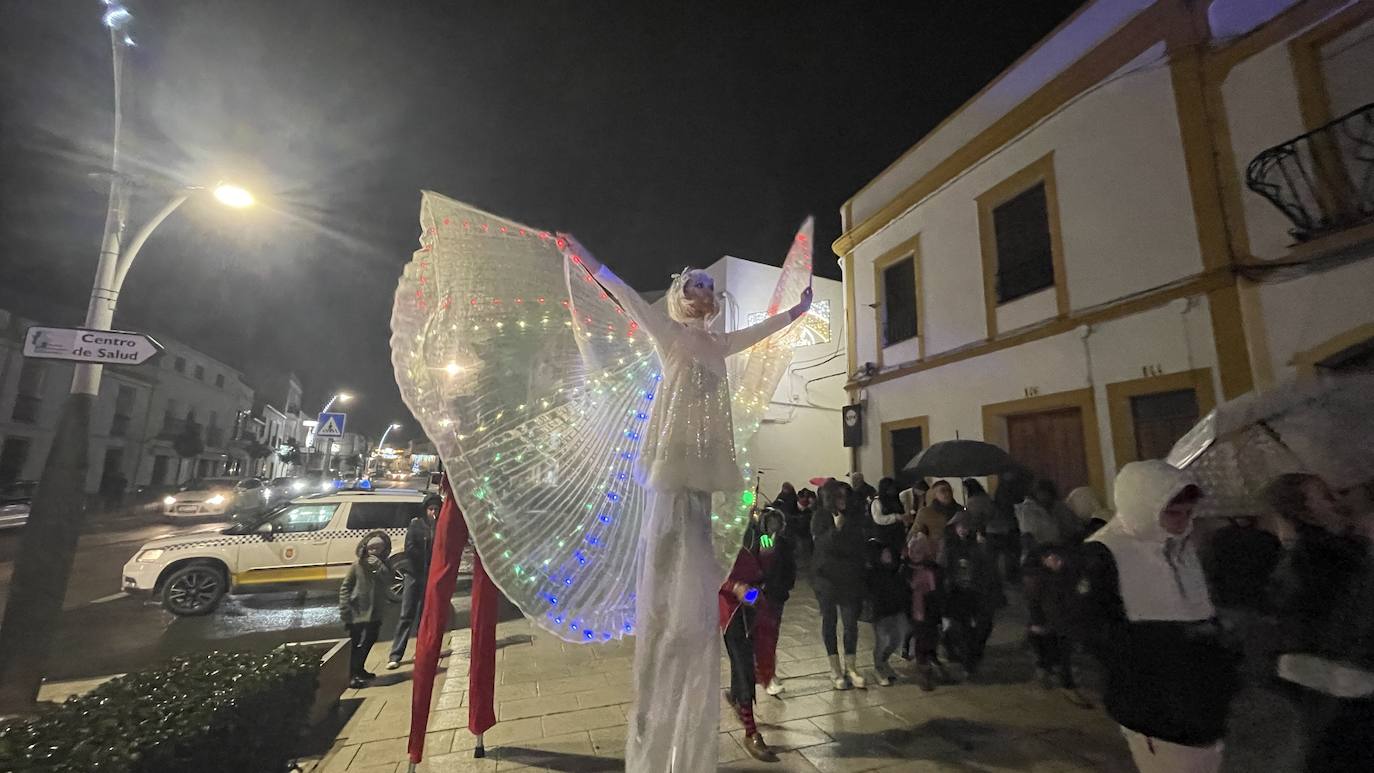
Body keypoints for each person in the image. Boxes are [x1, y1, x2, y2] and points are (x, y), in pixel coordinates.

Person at [574, 244, 812, 773]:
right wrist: (586, 256)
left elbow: (762, 333)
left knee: (696, 545)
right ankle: (663, 649)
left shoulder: (719, 343)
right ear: (682, 296)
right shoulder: (671, 335)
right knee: (667, 545)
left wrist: (798, 311)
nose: (704, 292)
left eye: (709, 285)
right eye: (695, 285)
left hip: (704, 465)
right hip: (674, 457)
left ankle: (701, 624)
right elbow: (629, 297)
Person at [1078, 461, 1239, 773]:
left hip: (1201, 696)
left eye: (1188, 513)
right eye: (1173, 514)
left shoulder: (1181, 547)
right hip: (1154, 701)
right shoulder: (1104, 553)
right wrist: (1167, 643)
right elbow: (1095, 632)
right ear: (1143, 507)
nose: (1182, 523)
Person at [1263, 473, 1374, 773]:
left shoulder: (1339, 551)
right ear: (1304, 511)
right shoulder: (1317, 561)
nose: (1338, 502)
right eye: (1326, 496)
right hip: (1339, 700)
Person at [720, 523, 782, 762]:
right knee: (744, 664)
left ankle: (738, 696)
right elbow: (710, 572)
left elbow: (765, 565)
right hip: (732, 611)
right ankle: (751, 731)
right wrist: (734, 586)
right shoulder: (718, 532)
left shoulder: (755, 530)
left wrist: (769, 544)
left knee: (752, 660)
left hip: (757, 603)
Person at [811, 479, 867, 689]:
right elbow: (821, 546)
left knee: (851, 623)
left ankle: (851, 667)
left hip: (850, 577)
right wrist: (836, 529)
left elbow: (857, 545)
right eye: (839, 496)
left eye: (846, 496)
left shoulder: (854, 517)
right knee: (830, 620)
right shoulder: (820, 516)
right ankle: (835, 669)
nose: (843, 500)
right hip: (826, 577)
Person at [1022, 543, 1092, 707]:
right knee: (1050, 652)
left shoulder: (1067, 574)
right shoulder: (1036, 578)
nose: (1057, 561)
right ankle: (1049, 674)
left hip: (1063, 622)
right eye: (1053, 558)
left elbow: (1076, 594)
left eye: (1058, 558)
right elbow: (1033, 602)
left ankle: (1065, 683)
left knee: (1063, 654)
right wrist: (1037, 622)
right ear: (1044, 560)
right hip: (1046, 623)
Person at [940, 512, 1000, 679]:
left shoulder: (980, 546)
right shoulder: (949, 546)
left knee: (982, 627)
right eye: (960, 527)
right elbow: (943, 568)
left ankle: (971, 655)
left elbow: (989, 570)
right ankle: (968, 662)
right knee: (963, 628)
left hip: (976, 593)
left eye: (966, 527)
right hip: (957, 594)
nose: (963, 530)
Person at [387, 493, 441, 669]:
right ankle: (396, 654)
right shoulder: (417, 524)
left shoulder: (439, 526)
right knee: (407, 613)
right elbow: (410, 548)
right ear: (425, 509)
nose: (433, 512)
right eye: (431, 509)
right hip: (414, 573)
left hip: (429, 574)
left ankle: (421, 649)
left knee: (425, 614)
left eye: (436, 509)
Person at [339, 531, 394, 688]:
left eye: (379, 549)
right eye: (372, 549)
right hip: (357, 611)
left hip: (375, 611)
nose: (374, 553)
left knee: (370, 639)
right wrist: (345, 608)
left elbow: (389, 578)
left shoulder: (384, 564)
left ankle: (359, 668)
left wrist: (379, 565)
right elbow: (346, 586)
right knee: (355, 642)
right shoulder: (358, 565)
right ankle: (351, 674)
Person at [1200, 515, 1281, 613]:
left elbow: (1210, 566)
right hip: (1256, 596)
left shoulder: (1219, 537)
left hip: (1230, 596)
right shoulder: (1267, 538)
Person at [904, 524, 944, 690]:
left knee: (930, 638)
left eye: (919, 552)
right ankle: (924, 670)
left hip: (929, 611)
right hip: (915, 611)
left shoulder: (932, 569)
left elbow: (938, 591)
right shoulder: (906, 569)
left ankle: (929, 662)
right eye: (913, 552)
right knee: (921, 641)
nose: (915, 555)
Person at [866, 540, 911, 686]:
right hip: (881, 611)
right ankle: (879, 667)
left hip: (895, 609)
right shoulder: (873, 573)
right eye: (884, 554)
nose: (888, 555)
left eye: (888, 553)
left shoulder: (895, 570)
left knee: (897, 638)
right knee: (882, 640)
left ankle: (884, 661)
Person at [1016, 479, 1078, 558]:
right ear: (1034, 493)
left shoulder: (1059, 507)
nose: (1044, 496)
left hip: (1062, 550)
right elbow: (1027, 538)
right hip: (1038, 554)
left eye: (1047, 492)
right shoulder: (1026, 510)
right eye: (1040, 492)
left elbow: (1072, 528)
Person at [915, 479, 962, 561]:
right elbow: (915, 532)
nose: (947, 493)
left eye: (949, 490)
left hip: (958, 553)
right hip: (935, 555)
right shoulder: (926, 512)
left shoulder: (960, 510)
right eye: (943, 491)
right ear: (935, 494)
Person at [868, 477, 908, 554]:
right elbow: (878, 519)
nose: (893, 490)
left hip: (898, 535)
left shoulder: (897, 500)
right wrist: (895, 517)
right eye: (890, 488)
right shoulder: (877, 502)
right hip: (884, 537)